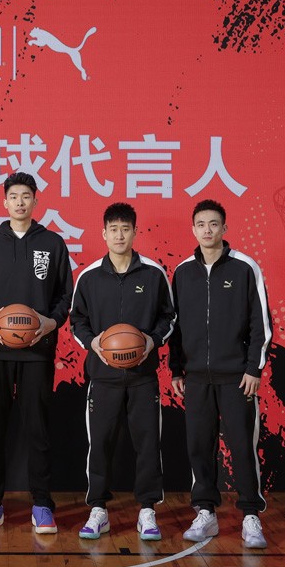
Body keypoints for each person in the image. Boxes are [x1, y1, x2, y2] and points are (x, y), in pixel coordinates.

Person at [0, 172, 74, 534]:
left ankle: (42, 504)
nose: (19, 202)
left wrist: (50, 322)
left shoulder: (52, 243)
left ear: (35, 201)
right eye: (13, 196)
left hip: (37, 351)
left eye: (26, 196)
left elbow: (64, 295)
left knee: (38, 431)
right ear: (4, 202)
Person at [168, 198, 271, 549]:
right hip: (196, 377)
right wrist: (176, 368)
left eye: (214, 224)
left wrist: (254, 368)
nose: (207, 230)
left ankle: (251, 515)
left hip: (236, 377)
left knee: (242, 447)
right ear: (193, 229)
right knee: (199, 447)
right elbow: (175, 326)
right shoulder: (183, 272)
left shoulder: (245, 267)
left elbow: (261, 324)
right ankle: (205, 513)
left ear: (224, 228)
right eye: (201, 224)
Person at [70, 202, 176, 540]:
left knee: (148, 443)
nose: (119, 235)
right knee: (100, 443)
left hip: (143, 377)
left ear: (134, 232)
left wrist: (152, 340)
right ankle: (98, 509)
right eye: (113, 229)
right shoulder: (89, 277)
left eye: (125, 229)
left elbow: (169, 317)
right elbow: (77, 321)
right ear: (103, 233)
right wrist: (93, 342)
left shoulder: (153, 273)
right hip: (102, 377)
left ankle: (147, 509)